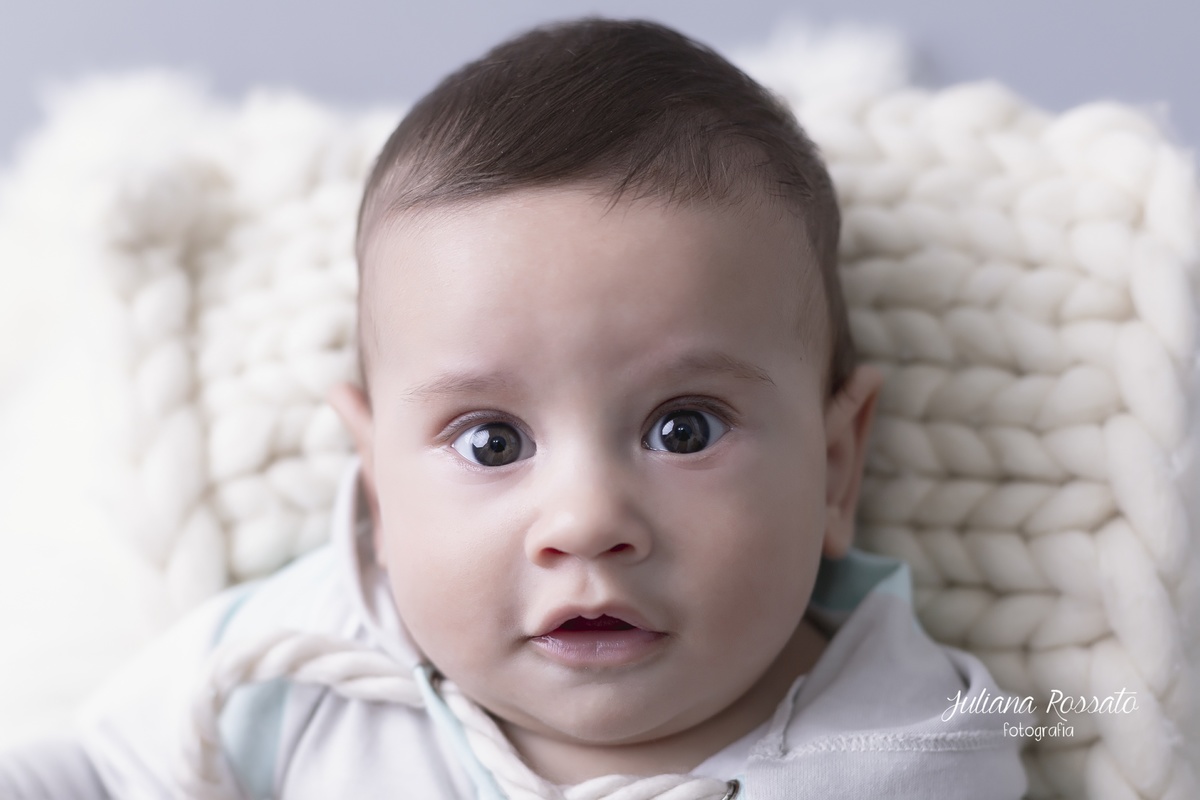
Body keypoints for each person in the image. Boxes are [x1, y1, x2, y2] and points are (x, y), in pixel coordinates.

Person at [0, 17, 1029, 799]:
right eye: (492, 440)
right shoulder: (302, 659)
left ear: (837, 467)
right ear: (377, 481)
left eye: (685, 427)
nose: (585, 518)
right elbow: (89, 768)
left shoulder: (906, 748)